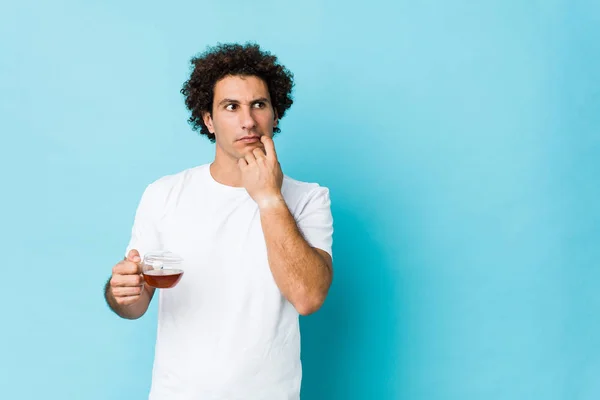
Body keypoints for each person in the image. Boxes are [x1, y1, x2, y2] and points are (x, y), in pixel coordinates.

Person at [103, 42, 334, 399]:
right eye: (231, 107)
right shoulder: (163, 194)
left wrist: (269, 197)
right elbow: (135, 304)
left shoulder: (308, 198)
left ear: (275, 114)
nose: (248, 120)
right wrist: (122, 291)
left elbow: (308, 298)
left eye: (259, 104)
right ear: (208, 120)